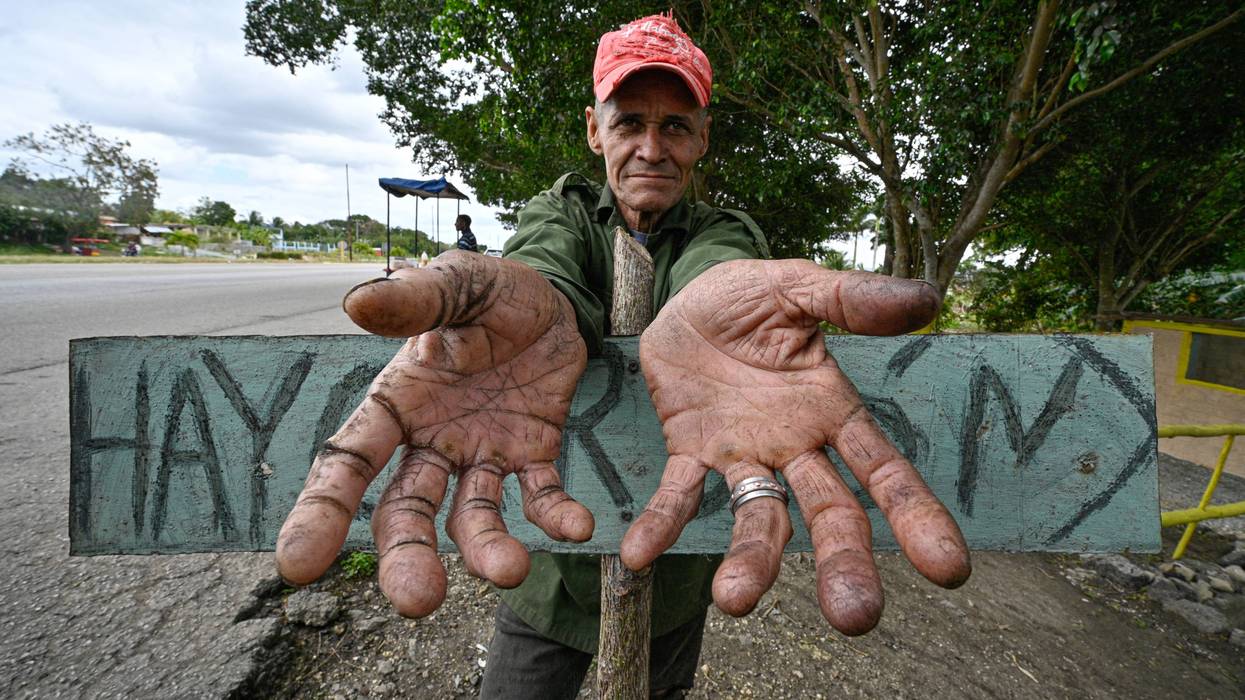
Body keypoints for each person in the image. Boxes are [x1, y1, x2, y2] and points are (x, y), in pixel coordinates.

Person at [275, 13, 971, 699]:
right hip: (548, 578)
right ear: (592, 129)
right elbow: (548, 276)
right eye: (629, 121)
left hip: (674, 574)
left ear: (702, 138)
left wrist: (718, 317)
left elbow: (715, 275)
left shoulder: (723, 230)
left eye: (674, 126)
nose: (650, 147)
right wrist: (532, 312)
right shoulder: (561, 212)